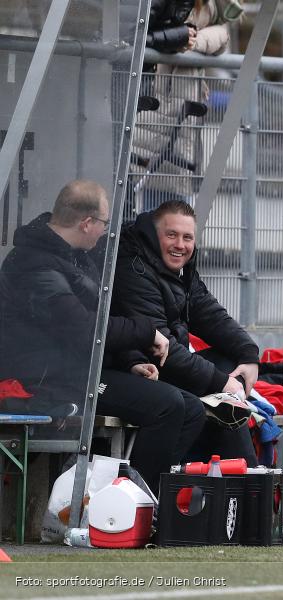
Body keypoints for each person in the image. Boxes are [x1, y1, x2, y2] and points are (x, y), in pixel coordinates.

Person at [0, 180, 206, 491]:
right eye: (104, 223)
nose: (106, 232)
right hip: (45, 381)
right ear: (87, 223)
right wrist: (147, 333)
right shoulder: (34, 265)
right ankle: (133, 504)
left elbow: (100, 322)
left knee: (192, 408)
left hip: (79, 371)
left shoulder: (75, 256)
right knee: (168, 405)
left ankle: (145, 498)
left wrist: (131, 362)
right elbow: (83, 329)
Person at [111, 199, 260, 464]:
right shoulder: (133, 266)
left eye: (187, 237)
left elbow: (209, 312)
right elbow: (160, 348)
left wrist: (248, 355)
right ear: (154, 236)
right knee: (209, 395)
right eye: (172, 235)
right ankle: (224, 480)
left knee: (228, 367)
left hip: (168, 366)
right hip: (142, 368)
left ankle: (241, 479)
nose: (180, 245)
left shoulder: (179, 267)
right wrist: (221, 382)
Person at [132, 0, 240, 214]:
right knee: (156, 187)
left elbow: (221, 36)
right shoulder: (191, 9)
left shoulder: (209, 9)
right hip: (162, 97)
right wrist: (184, 40)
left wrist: (193, 41)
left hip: (178, 103)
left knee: (167, 191)